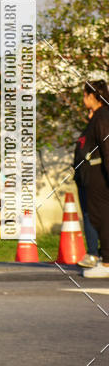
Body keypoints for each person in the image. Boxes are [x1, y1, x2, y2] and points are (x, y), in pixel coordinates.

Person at [79, 80, 109, 278]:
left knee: (103, 217)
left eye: (84, 95)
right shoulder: (98, 116)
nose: (82, 100)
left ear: (92, 96)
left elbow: (107, 149)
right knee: (99, 218)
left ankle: (107, 263)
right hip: (94, 178)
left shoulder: (103, 117)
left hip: (100, 178)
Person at [74, 108, 100, 268]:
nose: (89, 114)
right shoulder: (87, 132)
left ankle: (94, 254)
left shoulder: (100, 132)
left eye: (91, 111)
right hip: (83, 179)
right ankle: (94, 253)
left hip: (93, 180)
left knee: (91, 215)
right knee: (88, 215)